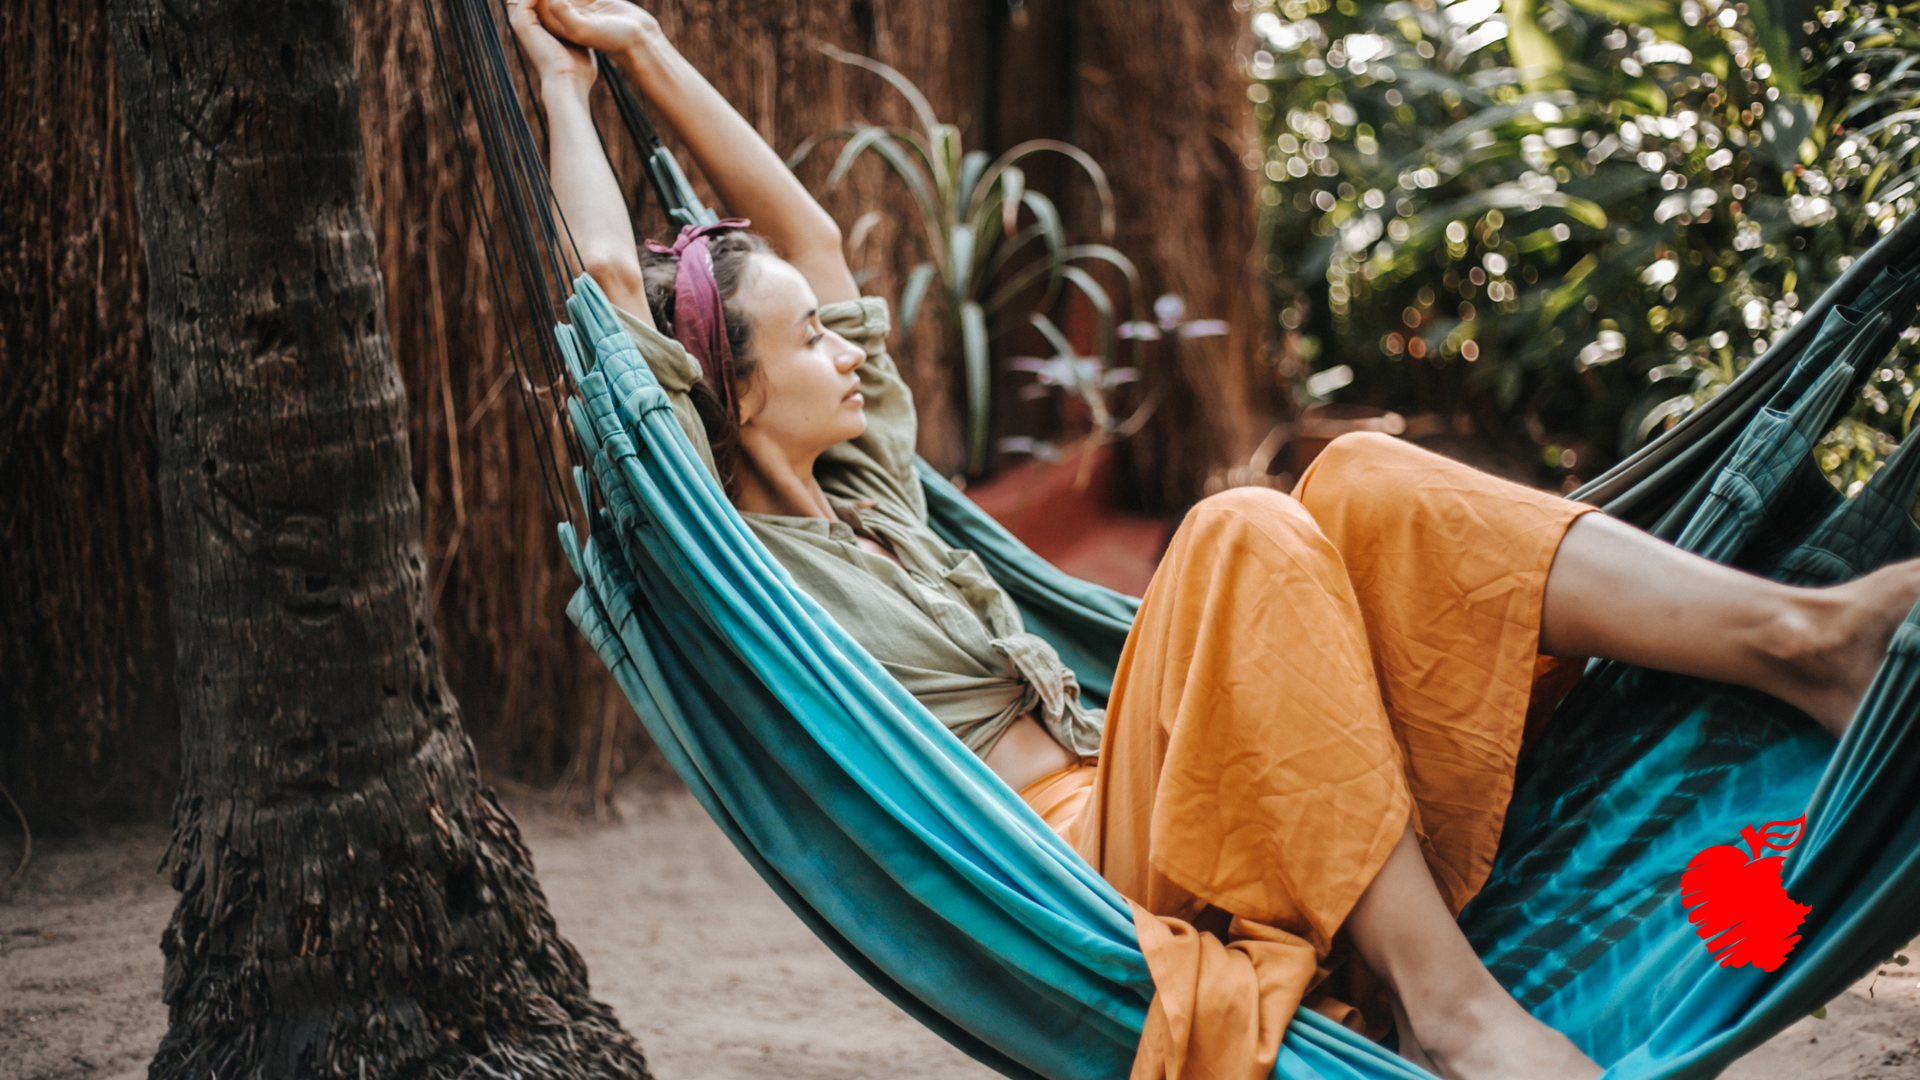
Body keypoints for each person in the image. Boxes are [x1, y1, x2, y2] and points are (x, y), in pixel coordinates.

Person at [506, 2, 1920, 1077]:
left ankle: (1808, 638)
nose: (848, 347)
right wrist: (565, 94)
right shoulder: (739, 561)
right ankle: (1453, 1009)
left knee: (1357, 478)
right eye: (811, 344)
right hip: (1074, 869)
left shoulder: (868, 492)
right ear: (730, 391)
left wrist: (639, 43)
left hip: (1168, 773)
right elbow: (620, 290)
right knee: (1245, 530)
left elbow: (810, 230)